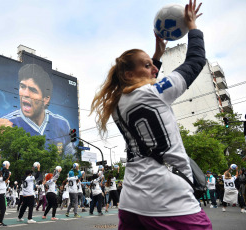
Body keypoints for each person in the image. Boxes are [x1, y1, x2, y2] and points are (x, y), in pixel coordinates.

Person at [90, 1, 212, 229]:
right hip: (168, 198)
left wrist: (156, 56)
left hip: (131, 200)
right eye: (147, 65)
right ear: (128, 74)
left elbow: (147, 84)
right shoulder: (154, 93)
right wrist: (193, 27)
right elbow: (195, 61)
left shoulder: (116, 105)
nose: (154, 69)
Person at [0, 63, 75, 155]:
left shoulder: (62, 124)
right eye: (22, 86)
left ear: (46, 99)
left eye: (33, 90)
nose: (25, 94)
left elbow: (71, 159)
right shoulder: (3, 125)